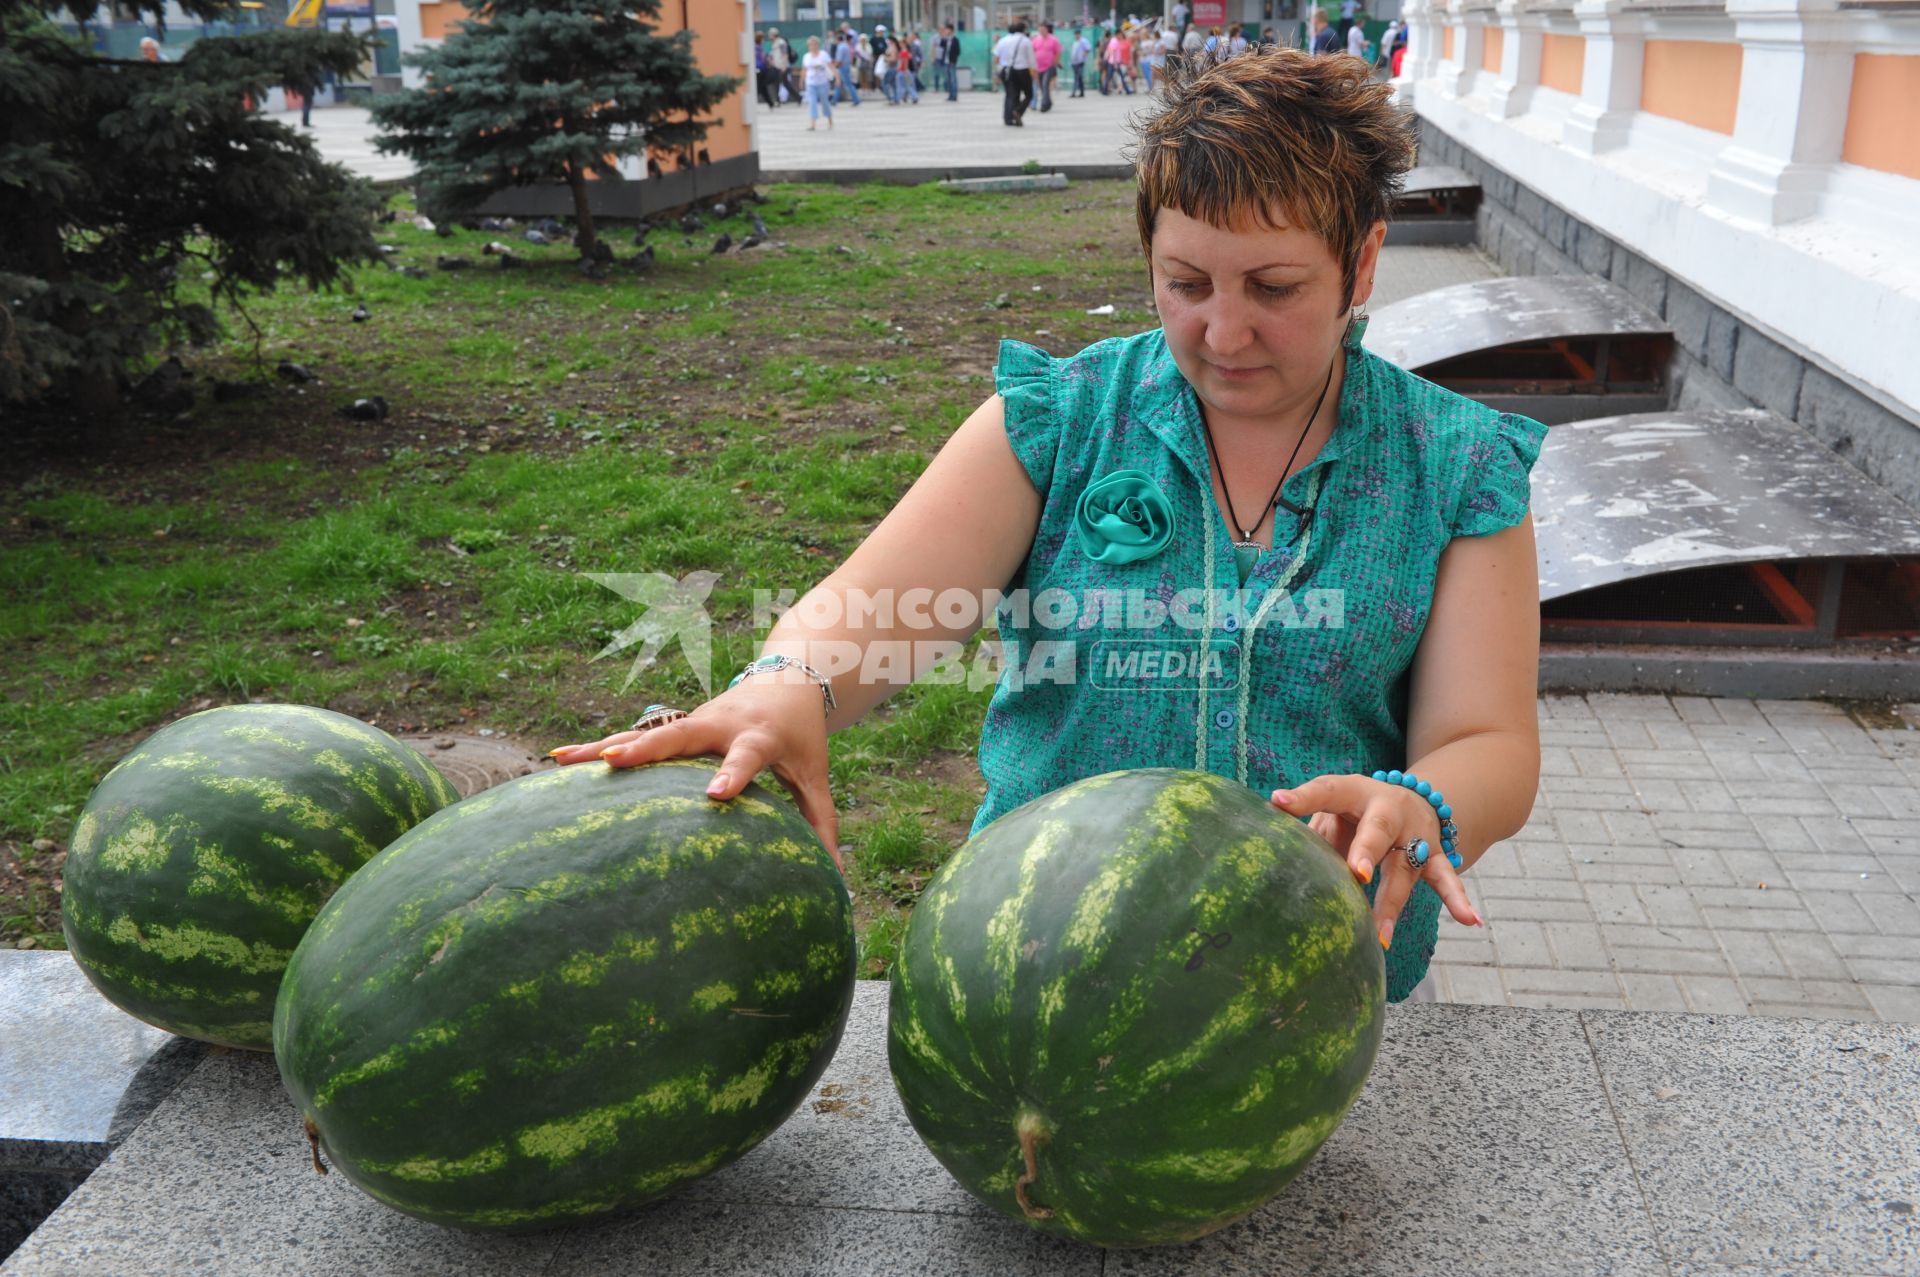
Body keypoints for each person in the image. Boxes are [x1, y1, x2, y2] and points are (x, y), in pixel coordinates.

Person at [553, 49, 1542, 1009]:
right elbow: (883, 608)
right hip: (1034, 959)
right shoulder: (1064, 419)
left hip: (1305, 990)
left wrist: (1421, 802)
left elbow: (1486, 736)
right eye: (1186, 282)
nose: (1223, 331)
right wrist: (787, 684)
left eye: (1274, 289)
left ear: (1362, 262)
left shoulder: (1452, 466)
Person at [995, 21, 1035, 125]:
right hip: (1023, 69)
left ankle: (1009, 117)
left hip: (1009, 69)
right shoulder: (1026, 41)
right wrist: (1034, 70)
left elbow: (998, 56)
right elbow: (1031, 59)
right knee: (1029, 94)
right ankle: (1018, 111)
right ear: (1024, 29)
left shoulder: (1005, 40)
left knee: (1012, 94)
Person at [801, 35, 835, 129]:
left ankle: (830, 120)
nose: (813, 46)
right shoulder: (806, 56)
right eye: (811, 45)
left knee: (824, 102)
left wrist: (837, 76)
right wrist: (802, 80)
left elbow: (831, 65)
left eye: (815, 44)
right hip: (811, 82)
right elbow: (804, 69)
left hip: (823, 82)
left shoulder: (823, 54)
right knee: (812, 102)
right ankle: (813, 123)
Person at [1032, 21, 1061, 112]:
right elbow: (1033, 52)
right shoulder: (1036, 39)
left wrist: (1054, 62)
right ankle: (1048, 102)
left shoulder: (1053, 39)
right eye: (1040, 29)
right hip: (1038, 67)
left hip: (1049, 66)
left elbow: (1058, 52)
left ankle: (1044, 105)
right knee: (1041, 86)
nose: (1041, 31)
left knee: (1045, 84)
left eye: (1043, 29)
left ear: (1047, 29)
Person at [937, 23, 962, 100]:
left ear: (951, 30)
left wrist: (953, 60)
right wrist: (943, 37)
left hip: (952, 62)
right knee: (947, 80)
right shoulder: (945, 39)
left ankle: (954, 95)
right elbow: (941, 46)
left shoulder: (955, 40)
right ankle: (950, 95)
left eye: (947, 29)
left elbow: (958, 51)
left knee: (953, 79)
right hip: (945, 62)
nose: (946, 31)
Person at [1069, 25, 1092, 96]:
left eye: (1077, 34)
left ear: (1079, 34)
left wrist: (1084, 55)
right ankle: (1082, 92)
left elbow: (1088, 48)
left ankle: (1073, 92)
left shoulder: (1083, 41)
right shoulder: (1075, 42)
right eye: (1075, 34)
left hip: (1080, 62)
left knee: (1077, 77)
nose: (1076, 35)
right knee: (1079, 77)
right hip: (1074, 62)